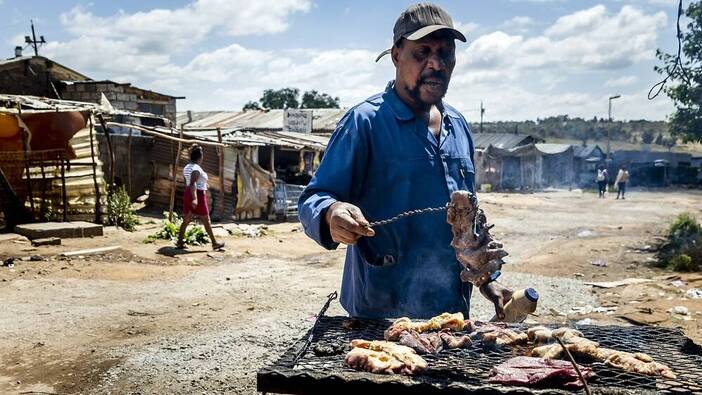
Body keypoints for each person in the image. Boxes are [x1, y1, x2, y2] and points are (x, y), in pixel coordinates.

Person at [298, 3, 512, 320]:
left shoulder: (459, 125)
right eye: (422, 52)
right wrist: (332, 213)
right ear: (397, 55)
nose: (436, 64)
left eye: (445, 53)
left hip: (449, 312)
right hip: (379, 312)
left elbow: (468, 219)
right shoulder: (365, 122)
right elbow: (313, 198)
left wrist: (486, 279)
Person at [176, 144, 225, 250]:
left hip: (188, 193)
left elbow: (188, 182)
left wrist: (203, 185)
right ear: (200, 157)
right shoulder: (196, 168)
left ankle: (179, 242)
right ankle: (214, 243)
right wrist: (195, 199)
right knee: (206, 220)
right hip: (197, 194)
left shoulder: (187, 167)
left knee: (186, 219)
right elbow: (193, 183)